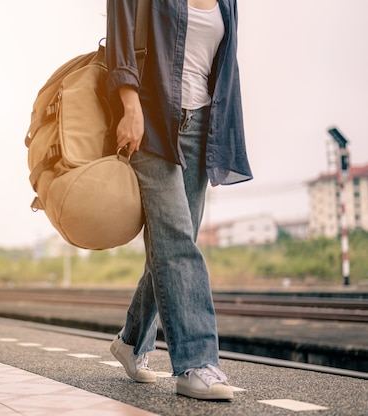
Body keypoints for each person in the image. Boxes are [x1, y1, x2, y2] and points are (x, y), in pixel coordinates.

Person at [105, 0, 253, 401]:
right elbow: (120, 43)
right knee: (177, 244)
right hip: (151, 122)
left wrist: (222, 142)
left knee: (174, 245)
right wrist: (130, 107)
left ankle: (131, 341)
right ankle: (196, 364)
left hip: (201, 125)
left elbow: (226, 71)